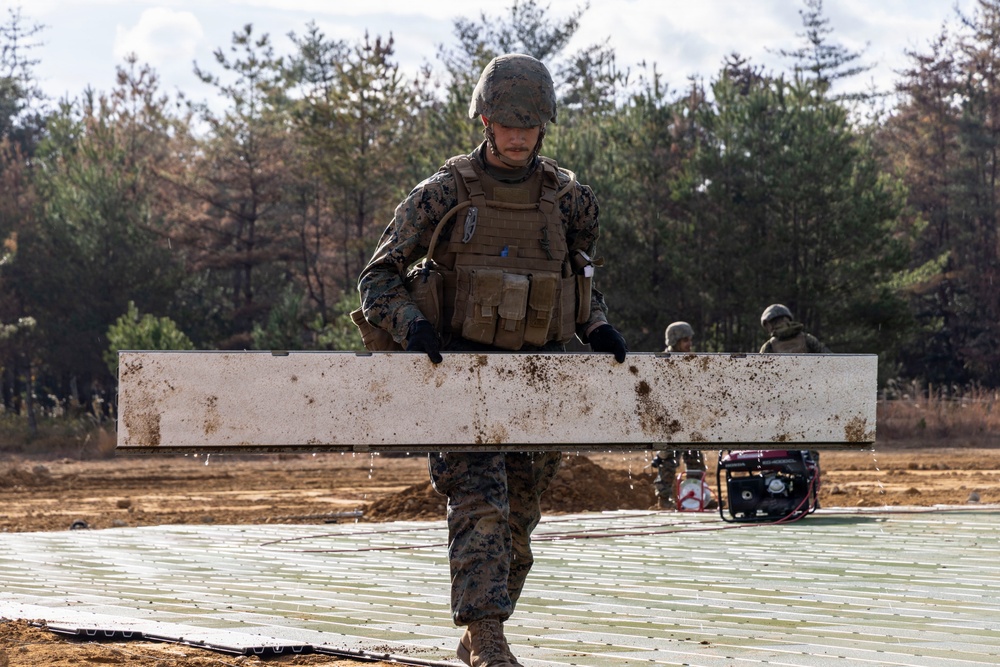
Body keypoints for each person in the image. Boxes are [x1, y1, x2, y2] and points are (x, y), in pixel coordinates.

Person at [357, 53, 628, 667]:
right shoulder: (444, 194)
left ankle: (482, 631)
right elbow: (377, 279)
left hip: (541, 379)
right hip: (462, 375)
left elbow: (578, 275)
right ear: (484, 119)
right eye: (506, 122)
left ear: (544, 127)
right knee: (480, 505)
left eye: (528, 125)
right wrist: (414, 326)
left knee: (521, 520)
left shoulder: (569, 200)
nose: (516, 135)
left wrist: (599, 324)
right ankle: (487, 638)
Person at [758, 303, 829, 494]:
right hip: (810, 409)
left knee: (777, 456)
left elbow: (759, 381)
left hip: (782, 413)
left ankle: (781, 496)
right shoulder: (808, 340)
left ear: (769, 325)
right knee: (810, 457)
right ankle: (812, 498)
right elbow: (832, 361)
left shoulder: (769, 347)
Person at [650, 322, 713, 510]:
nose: (689, 344)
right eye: (685, 340)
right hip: (669, 424)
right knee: (667, 463)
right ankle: (663, 499)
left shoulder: (691, 361)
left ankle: (693, 499)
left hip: (689, 422)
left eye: (690, 340)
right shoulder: (663, 361)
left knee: (695, 463)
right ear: (675, 340)